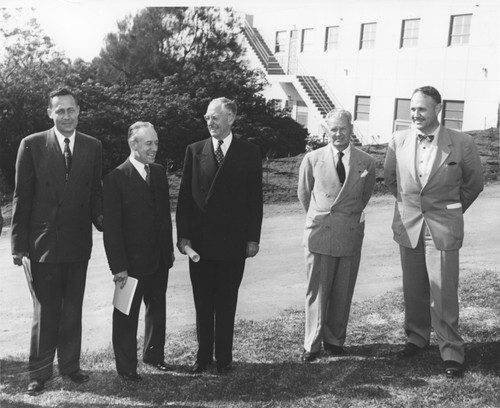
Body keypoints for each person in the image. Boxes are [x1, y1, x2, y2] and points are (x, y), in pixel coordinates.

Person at [384, 86, 483, 378]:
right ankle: (416, 338)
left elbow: (474, 183)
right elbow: (392, 180)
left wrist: (451, 211)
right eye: (412, 109)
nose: (415, 114)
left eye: (422, 109)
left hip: (442, 227)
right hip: (409, 224)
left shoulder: (462, 142)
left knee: (443, 292)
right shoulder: (398, 140)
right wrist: (412, 207)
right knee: (413, 289)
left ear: (438, 109)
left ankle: (451, 350)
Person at [10, 87, 103, 395]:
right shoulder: (32, 145)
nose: (66, 116)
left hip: (77, 243)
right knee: (46, 310)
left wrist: (104, 222)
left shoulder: (92, 146)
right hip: (42, 244)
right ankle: (39, 373)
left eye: (71, 110)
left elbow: (94, 195)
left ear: (79, 111)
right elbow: (21, 198)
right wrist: (18, 244)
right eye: (59, 111)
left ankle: (70, 367)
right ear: (49, 113)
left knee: (73, 308)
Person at [176, 97, 263, 374]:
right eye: (207, 117)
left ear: (231, 119)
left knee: (226, 301)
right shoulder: (195, 150)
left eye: (215, 117)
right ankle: (203, 357)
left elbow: (254, 201)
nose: (209, 122)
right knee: (202, 302)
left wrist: (253, 238)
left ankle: (224, 356)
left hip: (232, 243)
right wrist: (184, 236)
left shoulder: (248, 152)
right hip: (200, 244)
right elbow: (185, 199)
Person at [297, 109, 376, 362]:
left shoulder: (366, 161)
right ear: (326, 130)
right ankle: (312, 343)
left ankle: (335, 339)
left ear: (351, 129)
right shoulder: (312, 158)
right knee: (317, 290)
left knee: (343, 289)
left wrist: (346, 217)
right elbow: (305, 195)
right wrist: (321, 217)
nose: (338, 134)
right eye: (333, 129)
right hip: (321, 232)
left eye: (343, 128)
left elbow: (364, 197)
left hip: (349, 232)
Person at [103, 122, 174, 382]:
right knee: (125, 315)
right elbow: (111, 230)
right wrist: (118, 266)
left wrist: (167, 251)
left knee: (157, 309)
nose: (154, 148)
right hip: (130, 265)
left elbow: (163, 217)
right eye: (148, 144)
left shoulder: (158, 172)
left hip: (158, 260)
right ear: (134, 145)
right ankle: (126, 367)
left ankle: (154, 355)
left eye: (156, 143)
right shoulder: (115, 178)